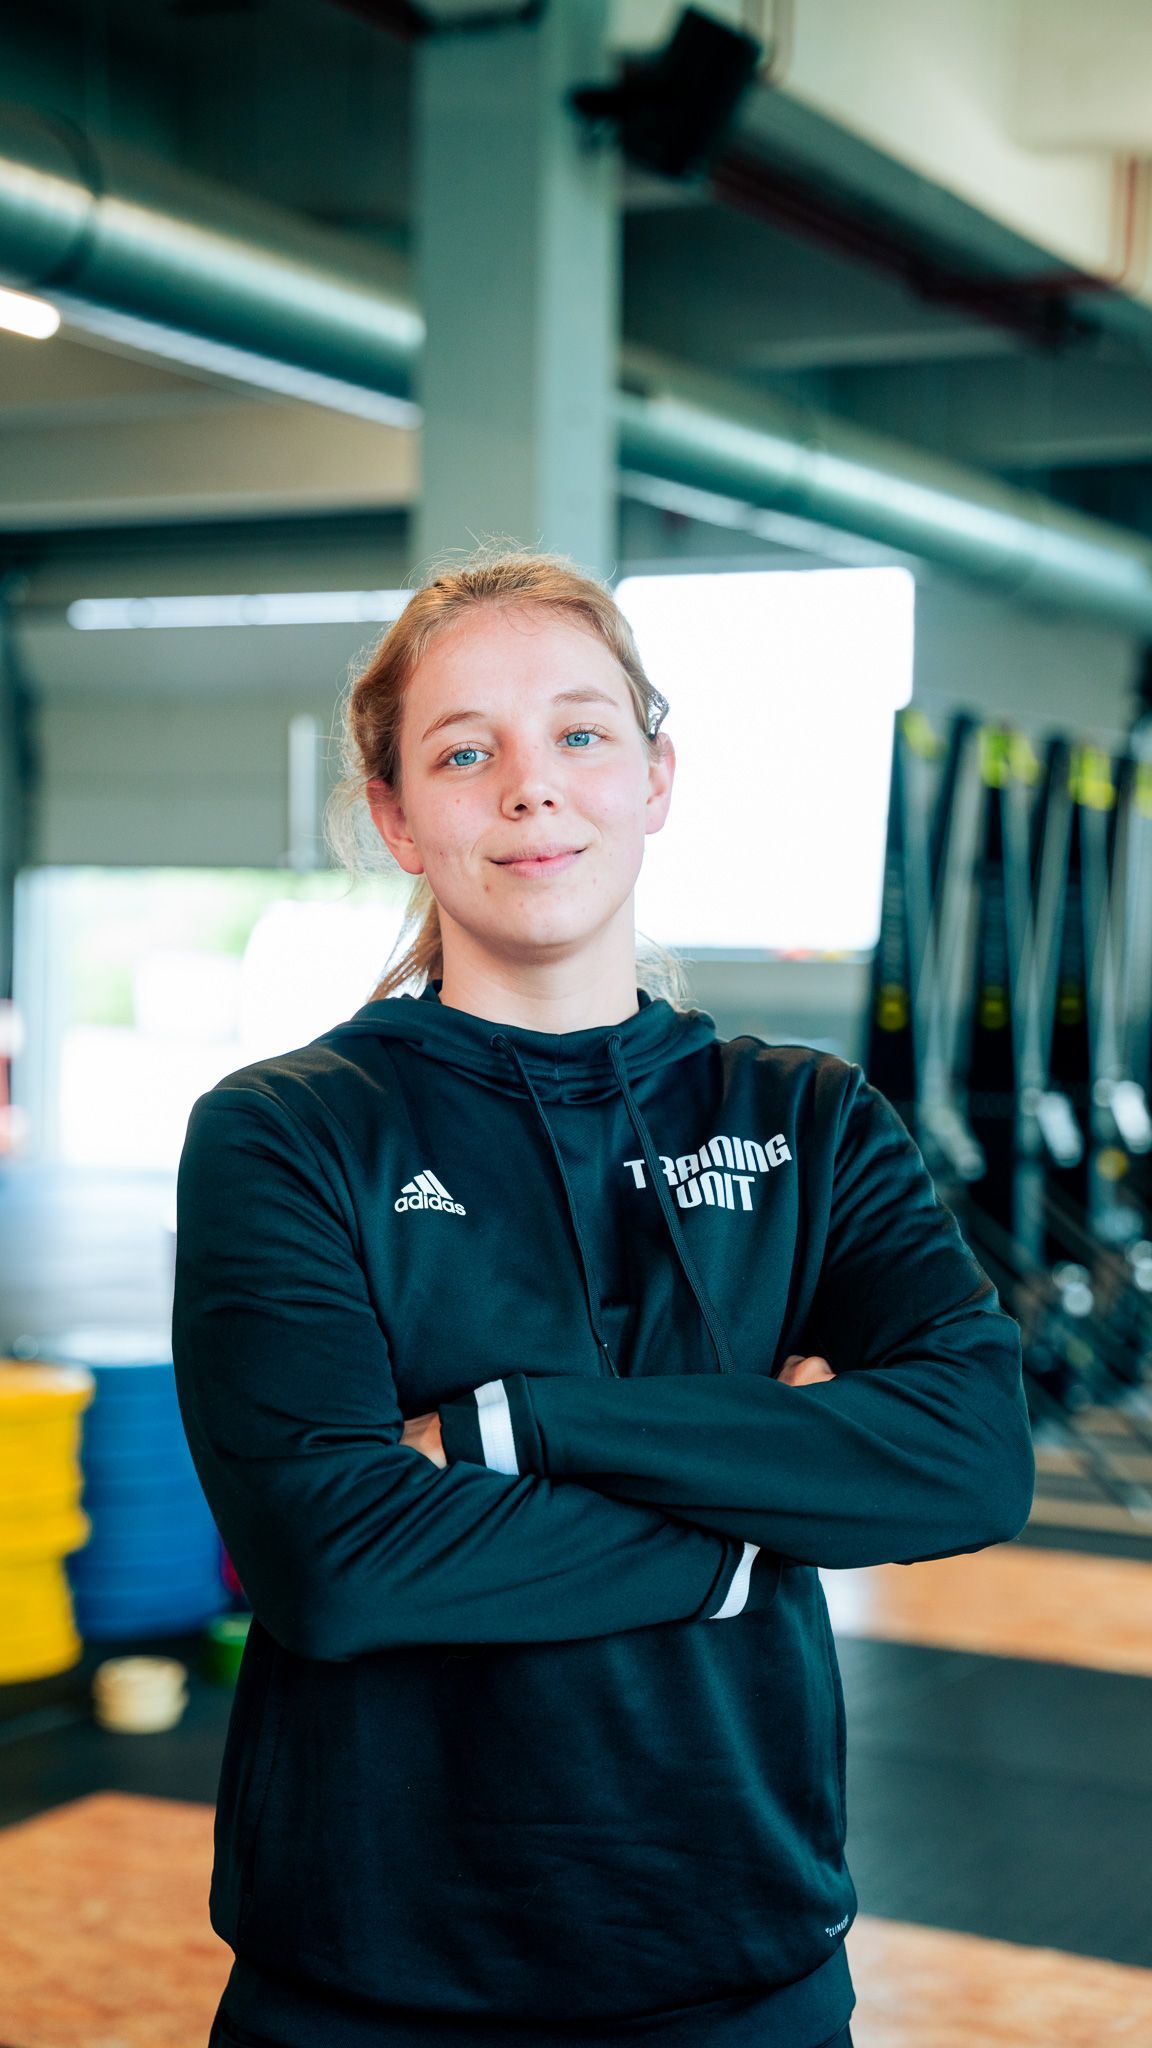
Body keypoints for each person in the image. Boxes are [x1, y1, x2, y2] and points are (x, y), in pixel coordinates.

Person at [172, 543, 1035, 2048]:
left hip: (734, 1962)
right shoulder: (287, 1130)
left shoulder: (810, 1119)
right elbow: (340, 1561)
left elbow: (969, 1457)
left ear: (656, 776)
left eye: (580, 732)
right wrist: (760, 1507)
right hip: (371, 1977)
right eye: (464, 752)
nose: (531, 787)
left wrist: (515, 1430)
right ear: (392, 815)